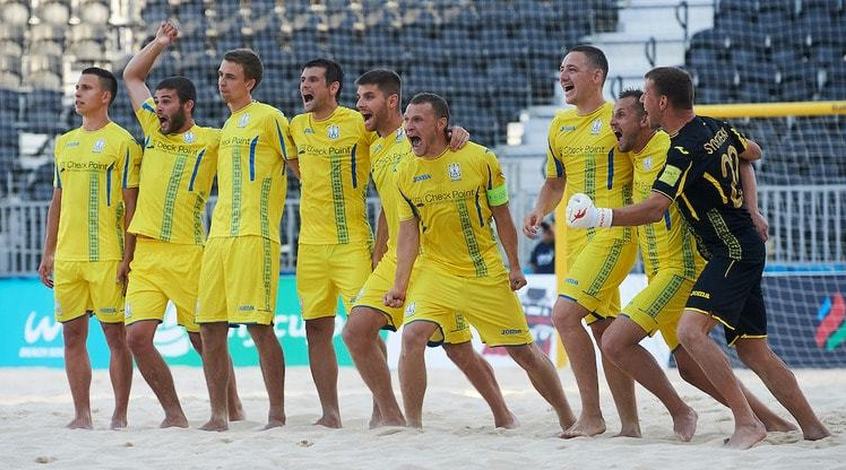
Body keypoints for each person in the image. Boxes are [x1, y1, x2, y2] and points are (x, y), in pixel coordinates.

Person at [566, 66, 831, 449]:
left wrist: (599, 216)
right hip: (736, 247)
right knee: (750, 350)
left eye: (644, 97)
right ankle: (811, 428)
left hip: (725, 252)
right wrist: (752, 208)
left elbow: (656, 208)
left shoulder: (679, 151)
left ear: (660, 103)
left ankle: (745, 422)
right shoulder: (714, 126)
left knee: (688, 333)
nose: (641, 104)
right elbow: (750, 153)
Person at [598, 89, 796, 441]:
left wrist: (752, 210)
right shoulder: (633, 154)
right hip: (658, 272)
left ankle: (687, 412)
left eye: (622, 114)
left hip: (682, 269)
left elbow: (745, 156)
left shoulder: (672, 147)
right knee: (691, 369)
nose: (613, 122)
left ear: (646, 119)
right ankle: (770, 421)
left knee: (615, 342)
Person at [385, 93, 575, 430]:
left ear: (441, 124)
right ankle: (412, 427)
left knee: (524, 353)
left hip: (483, 270)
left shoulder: (481, 159)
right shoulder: (404, 173)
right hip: (436, 271)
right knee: (412, 337)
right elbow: (408, 234)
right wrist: (399, 285)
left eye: (417, 120)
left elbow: (502, 215)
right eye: (407, 120)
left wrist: (514, 265)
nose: (408, 127)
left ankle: (568, 418)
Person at [343, 69, 517, 429]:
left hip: (435, 259)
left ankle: (503, 414)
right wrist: (379, 249)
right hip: (397, 257)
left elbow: (446, 144)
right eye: (358, 97)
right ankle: (391, 415)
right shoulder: (375, 146)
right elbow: (390, 206)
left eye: (368, 97)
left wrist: (458, 133)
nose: (360, 104)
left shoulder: (414, 138)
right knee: (356, 331)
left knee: (458, 349)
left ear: (393, 101)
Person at [121, 21, 244, 427]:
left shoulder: (212, 139)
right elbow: (132, 76)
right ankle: (174, 413)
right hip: (146, 254)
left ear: (187, 105)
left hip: (189, 253)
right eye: (157, 101)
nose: (158, 107)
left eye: (167, 101)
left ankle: (233, 406)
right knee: (137, 338)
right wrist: (158, 44)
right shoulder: (151, 130)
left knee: (203, 339)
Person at [522, 45, 638, 438]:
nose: (563, 76)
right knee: (604, 328)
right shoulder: (559, 124)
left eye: (572, 69)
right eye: (561, 69)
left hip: (612, 230)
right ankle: (631, 425)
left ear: (596, 76)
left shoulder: (619, 117)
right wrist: (539, 210)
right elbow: (556, 182)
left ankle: (591, 415)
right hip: (573, 239)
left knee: (564, 315)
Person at [195, 48, 296, 431]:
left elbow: (301, 168)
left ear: (250, 82)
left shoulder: (270, 118)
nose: (222, 82)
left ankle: (277, 414)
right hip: (219, 236)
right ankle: (219, 415)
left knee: (258, 326)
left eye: (230, 76)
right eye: (220, 75)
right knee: (209, 327)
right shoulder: (226, 127)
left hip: (255, 234)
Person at [37, 67, 140, 429]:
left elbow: (131, 204)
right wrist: (48, 252)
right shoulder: (64, 142)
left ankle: (120, 414)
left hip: (107, 256)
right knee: (72, 336)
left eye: (86, 87)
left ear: (105, 96)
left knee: (116, 337)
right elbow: (57, 201)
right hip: (68, 258)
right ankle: (82, 414)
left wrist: (129, 256)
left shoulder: (123, 142)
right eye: (77, 87)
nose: (77, 93)